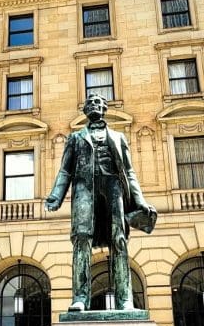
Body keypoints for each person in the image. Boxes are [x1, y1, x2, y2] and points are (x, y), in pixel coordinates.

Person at [46, 94, 157, 311]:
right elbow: (65, 170)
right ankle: (80, 298)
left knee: (119, 240)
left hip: (113, 187)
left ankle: (124, 300)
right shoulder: (76, 138)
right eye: (91, 102)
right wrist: (55, 196)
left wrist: (139, 199)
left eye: (99, 102)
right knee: (81, 239)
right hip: (84, 190)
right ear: (85, 109)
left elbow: (130, 171)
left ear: (105, 108)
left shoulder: (117, 137)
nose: (95, 104)